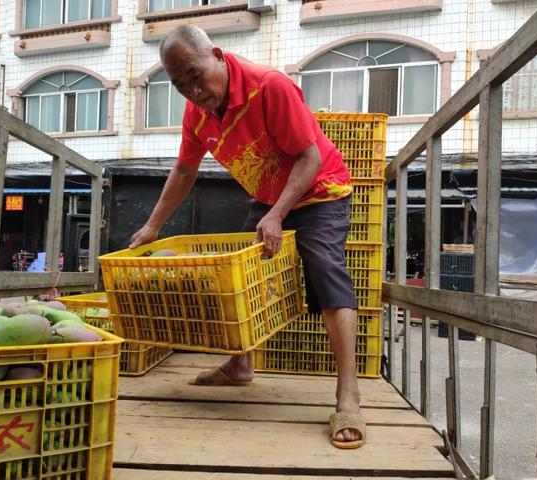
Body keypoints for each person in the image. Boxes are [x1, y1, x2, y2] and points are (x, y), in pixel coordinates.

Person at [130, 25, 365, 449]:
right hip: (270, 192)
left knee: (327, 274)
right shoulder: (196, 114)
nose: (192, 91)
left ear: (217, 55)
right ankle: (239, 366)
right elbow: (184, 171)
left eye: (195, 75)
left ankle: (348, 396)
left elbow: (309, 157)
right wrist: (152, 226)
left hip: (319, 188)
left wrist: (277, 214)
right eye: (180, 85)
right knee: (235, 276)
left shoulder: (268, 86)